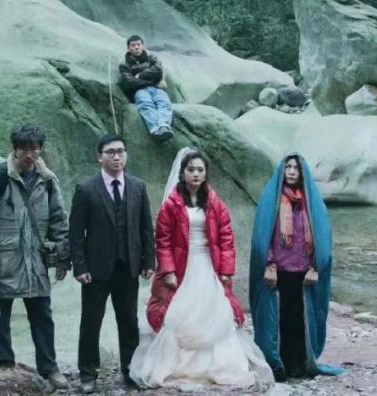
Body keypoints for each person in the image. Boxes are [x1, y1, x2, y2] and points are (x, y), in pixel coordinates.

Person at [129, 148, 273, 388]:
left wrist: (226, 271)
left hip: (208, 265)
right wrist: (169, 270)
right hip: (182, 267)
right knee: (177, 315)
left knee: (216, 315)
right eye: (191, 170)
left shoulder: (215, 203)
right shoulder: (171, 205)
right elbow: (163, 240)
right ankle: (178, 367)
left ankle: (218, 367)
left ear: (206, 173)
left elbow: (226, 239)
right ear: (183, 173)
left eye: (200, 170)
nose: (195, 174)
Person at [0, 124, 69, 389]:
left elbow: (59, 220)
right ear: (14, 149)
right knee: (0, 315)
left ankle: (49, 368)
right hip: (3, 259)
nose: (29, 154)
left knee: (43, 316)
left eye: (34, 148)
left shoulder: (48, 180)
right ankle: (3, 363)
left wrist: (62, 257)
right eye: (24, 149)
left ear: (41, 149)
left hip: (35, 260)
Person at [69, 133, 156, 394]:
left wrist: (148, 260)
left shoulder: (138, 187)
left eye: (120, 151)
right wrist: (80, 266)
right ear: (100, 157)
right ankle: (88, 374)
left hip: (128, 266)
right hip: (95, 270)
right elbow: (76, 233)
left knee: (128, 320)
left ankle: (131, 370)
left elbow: (146, 228)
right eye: (110, 152)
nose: (116, 156)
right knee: (91, 322)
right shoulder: (86, 189)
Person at [249, 154, 345, 381]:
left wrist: (315, 267)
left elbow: (323, 237)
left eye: (296, 168)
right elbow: (262, 237)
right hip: (278, 271)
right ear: (282, 171)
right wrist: (269, 264)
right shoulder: (272, 200)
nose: (291, 171)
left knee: (299, 320)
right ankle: (277, 364)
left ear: (303, 173)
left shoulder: (310, 202)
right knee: (278, 320)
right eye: (288, 167)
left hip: (303, 272)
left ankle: (299, 365)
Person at [119, 34, 174, 143]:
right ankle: (155, 130)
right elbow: (130, 82)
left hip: (156, 89)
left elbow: (158, 71)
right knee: (146, 104)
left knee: (164, 102)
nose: (136, 47)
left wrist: (139, 75)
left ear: (143, 46)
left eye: (138, 44)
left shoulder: (152, 58)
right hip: (140, 90)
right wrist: (151, 80)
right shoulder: (124, 64)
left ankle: (164, 126)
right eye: (133, 45)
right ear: (128, 48)